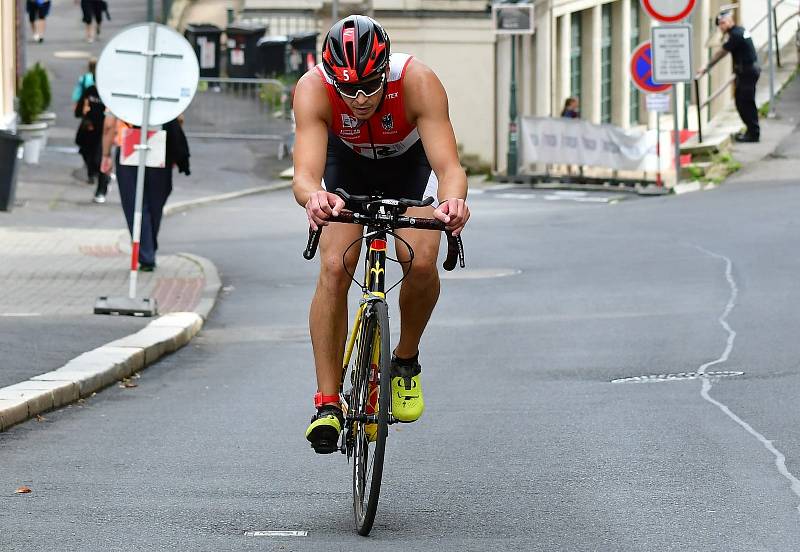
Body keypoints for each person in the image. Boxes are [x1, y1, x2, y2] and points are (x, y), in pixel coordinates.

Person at [292, 15, 470, 454]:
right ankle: (328, 402)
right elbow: (305, 176)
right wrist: (314, 198)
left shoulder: (418, 81)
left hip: (409, 167)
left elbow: (449, 168)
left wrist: (452, 203)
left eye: (369, 85)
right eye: (346, 88)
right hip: (345, 166)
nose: (358, 98)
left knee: (421, 259)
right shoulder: (313, 89)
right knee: (334, 265)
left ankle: (405, 360)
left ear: (385, 67)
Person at [100, 115, 190, 271]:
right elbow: (180, 118)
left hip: (129, 142)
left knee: (134, 202)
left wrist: (106, 154)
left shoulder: (121, 91)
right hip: (160, 142)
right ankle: (148, 248)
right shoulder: (166, 90)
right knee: (156, 200)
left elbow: (109, 124)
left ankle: (145, 253)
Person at [696, 10, 760, 143]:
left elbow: (721, 53)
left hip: (747, 71)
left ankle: (753, 133)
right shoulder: (740, 31)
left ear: (731, 21)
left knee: (745, 102)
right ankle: (751, 130)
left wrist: (706, 67)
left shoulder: (735, 35)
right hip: (748, 71)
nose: (721, 26)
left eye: (723, 22)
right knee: (741, 101)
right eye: (720, 24)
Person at [74, 82, 108, 203]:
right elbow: (80, 109)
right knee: (86, 153)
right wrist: (84, 115)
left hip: (104, 131)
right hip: (88, 129)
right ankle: (92, 173)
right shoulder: (90, 90)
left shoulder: (109, 92)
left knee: (100, 159)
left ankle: (101, 189)